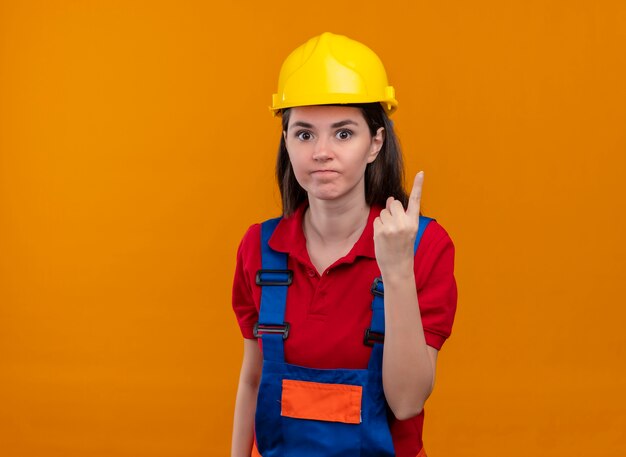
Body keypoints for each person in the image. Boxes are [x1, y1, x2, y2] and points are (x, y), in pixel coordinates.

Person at [231, 32, 457, 457]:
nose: (321, 152)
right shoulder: (258, 250)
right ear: (286, 142)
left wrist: (396, 270)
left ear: (375, 142)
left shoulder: (425, 246)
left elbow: (407, 402)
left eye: (343, 133)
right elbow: (253, 379)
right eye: (303, 134)